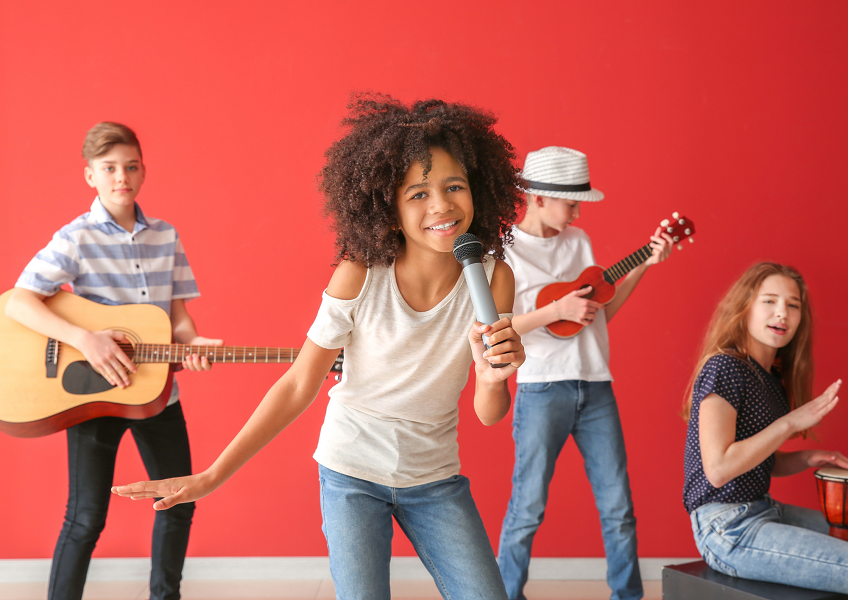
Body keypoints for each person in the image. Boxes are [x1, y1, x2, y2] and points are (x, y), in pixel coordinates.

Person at [113, 95, 526, 600]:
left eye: (454, 186)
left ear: (477, 191)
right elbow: (299, 383)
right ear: (388, 208)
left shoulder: (492, 278)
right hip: (352, 471)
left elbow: (489, 413)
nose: (441, 205)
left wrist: (491, 377)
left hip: (435, 477)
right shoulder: (360, 275)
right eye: (417, 193)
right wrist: (211, 476)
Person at [4, 122, 222, 600]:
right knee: (85, 517)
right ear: (90, 176)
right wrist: (86, 339)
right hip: (95, 396)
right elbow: (18, 302)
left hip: (158, 392)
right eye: (109, 168)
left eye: (130, 166)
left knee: (178, 501)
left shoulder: (165, 236)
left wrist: (196, 342)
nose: (121, 176)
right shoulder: (76, 238)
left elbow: (177, 318)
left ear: (143, 172)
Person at [496, 146, 674, 600]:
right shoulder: (505, 254)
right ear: (537, 198)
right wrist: (557, 307)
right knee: (527, 507)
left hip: (596, 386)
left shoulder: (579, 243)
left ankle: (627, 596)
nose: (577, 212)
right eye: (571, 202)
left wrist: (644, 268)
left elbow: (599, 314)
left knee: (619, 508)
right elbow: (499, 327)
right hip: (541, 390)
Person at [682, 262, 848, 593]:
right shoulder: (724, 367)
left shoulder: (771, 379)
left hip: (764, 509)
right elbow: (719, 469)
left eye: (793, 305)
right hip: (727, 528)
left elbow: (758, 460)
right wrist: (790, 423)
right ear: (745, 307)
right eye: (769, 301)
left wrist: (808, 458)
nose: (782, 313)